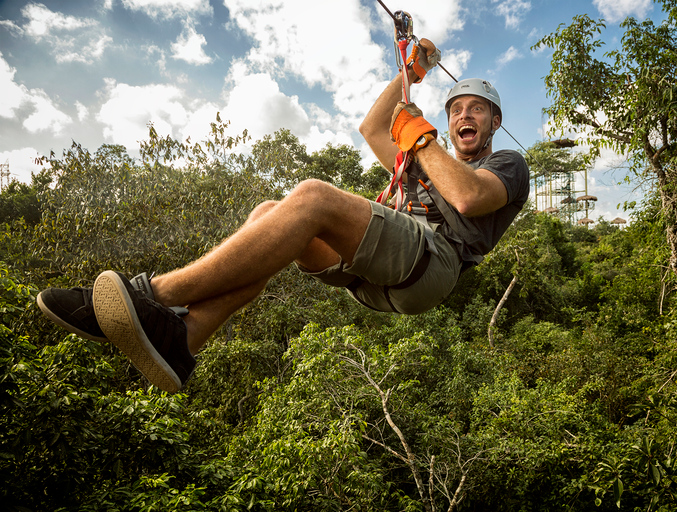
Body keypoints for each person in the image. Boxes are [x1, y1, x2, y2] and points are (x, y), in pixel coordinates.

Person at [36, 40, 529, 393]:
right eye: (456, 108)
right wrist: (409, 74)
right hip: (380, 270)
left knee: (313, 196)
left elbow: (465, 197)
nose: (465, 116)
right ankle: (185, 338)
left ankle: (151, 296)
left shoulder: (506, 164)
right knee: (271, 214)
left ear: (494, 122)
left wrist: (418, 137)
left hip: (431, 265)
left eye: (477, 110)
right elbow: (374, 127)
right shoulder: (425, 161)